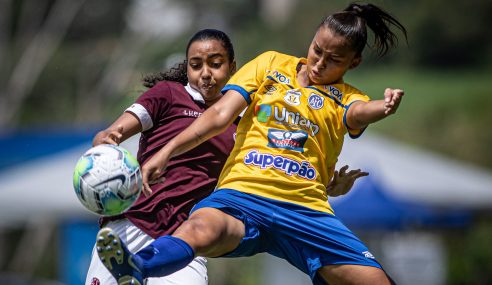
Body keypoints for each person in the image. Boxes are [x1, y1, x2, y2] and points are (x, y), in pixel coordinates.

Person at [96, 2, 406, 284]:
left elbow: (360, 113)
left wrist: (385, 106)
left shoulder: (349, 97)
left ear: (354, 62)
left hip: (306, 211)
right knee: (199, 228)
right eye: (316, 50)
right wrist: (166, 152)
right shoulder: (271, 64)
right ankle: (137, 267)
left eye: (334, 59)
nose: (319, 63)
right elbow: (218, 114)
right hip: (242, 197)